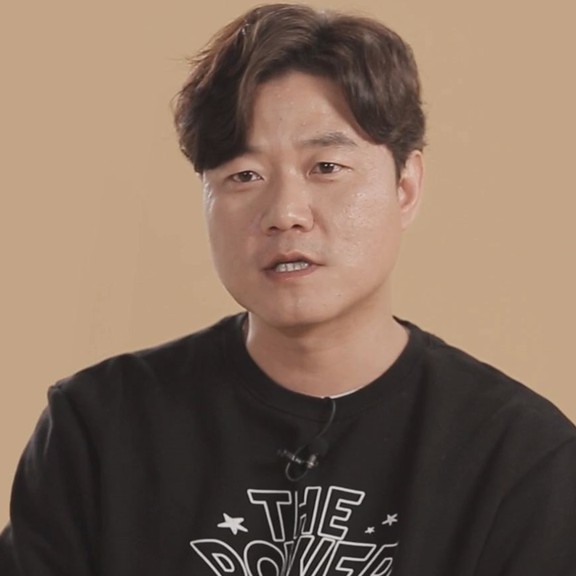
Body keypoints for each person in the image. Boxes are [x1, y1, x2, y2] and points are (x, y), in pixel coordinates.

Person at [1, 3, 575, 575]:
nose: (285, 213)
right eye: (244, 176)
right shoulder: (97, 429)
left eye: (326, 167)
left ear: (405, 186)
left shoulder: (521, 457)